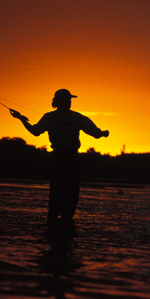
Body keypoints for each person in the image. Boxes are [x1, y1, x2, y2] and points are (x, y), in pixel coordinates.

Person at [10, 89, 109, 228]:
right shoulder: (51, 117)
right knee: (57, 191)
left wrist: (102, 133)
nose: (69, 102)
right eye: (67, 100)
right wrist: (21, 118)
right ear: (58, 101)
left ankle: (65, 220)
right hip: (58, 159)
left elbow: (95, 132)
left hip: (71, 159)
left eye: (70, 100)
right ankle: (55, 221)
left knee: (73, 192)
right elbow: (35, 131)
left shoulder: (77, 117)